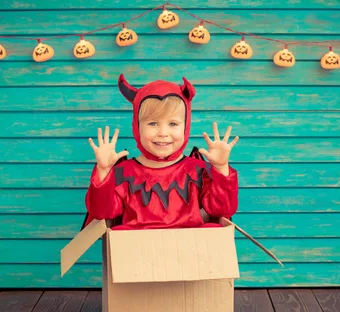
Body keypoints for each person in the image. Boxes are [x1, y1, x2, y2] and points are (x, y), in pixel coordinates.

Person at [83, 74, 239, 230]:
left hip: (190, 248)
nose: (163, 133)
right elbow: (102, 213)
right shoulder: (123, 173)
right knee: (119, 230)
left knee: (213, 228)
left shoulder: (198, 170)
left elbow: (223, 210)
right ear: (137, 127)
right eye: (153, 123)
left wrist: (221, 168)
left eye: (173, 123)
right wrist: (103, 171)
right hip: (136, 248)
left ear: (185, 126)